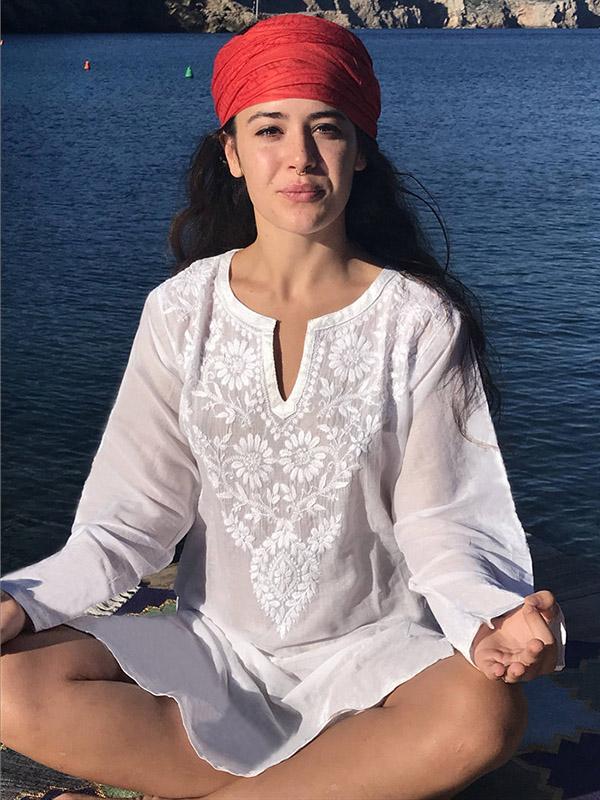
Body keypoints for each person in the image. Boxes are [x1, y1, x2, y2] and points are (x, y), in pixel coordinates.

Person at [0, 12, 567, 800]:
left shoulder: (418, 321)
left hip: (376, 659)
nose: (299, 156)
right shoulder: (182, 311)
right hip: (213, 651)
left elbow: (441, 519)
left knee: (483, 717)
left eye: (326, 128)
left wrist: (489, 618)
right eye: (269, 129)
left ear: (360, 150)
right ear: (232, 153)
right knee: (10, 685)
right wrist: (23, 600)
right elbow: (133, 518)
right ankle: (330, 782)